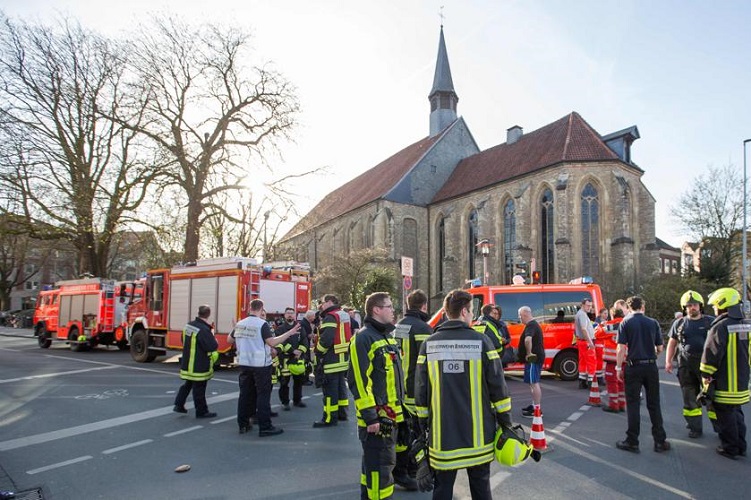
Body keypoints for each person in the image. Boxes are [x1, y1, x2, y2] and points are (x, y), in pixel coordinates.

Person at [415, 289, 511, 499]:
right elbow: (499, 389)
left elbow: (421, 393)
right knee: (481, 489)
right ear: (465, 311)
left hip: (443, 439)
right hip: (478, 439)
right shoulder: (482, 342)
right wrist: (506, 423)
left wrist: (422, 429)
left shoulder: (429, 344)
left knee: (442, 490)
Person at [348, 292, 406, 499]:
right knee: (379, 471)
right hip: (377, 420)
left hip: (391, 417)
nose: (393, 310)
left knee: (376, 468)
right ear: (376, 310)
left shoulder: (386, 337)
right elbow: (359, 381)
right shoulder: (363, 338)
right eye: (389, 306)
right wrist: (371, 416)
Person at [228, 299, 300, 437]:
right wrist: (289, 333)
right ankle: (265, 427)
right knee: (263, 395)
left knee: (244, 395)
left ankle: (243, 424)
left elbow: (229, 340)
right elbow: (272, 342)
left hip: (244, 363)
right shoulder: (262, 324)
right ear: (261, 309)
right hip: (260, 365)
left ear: (249, 308)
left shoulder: (241, 324)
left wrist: (235, 328)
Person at [615, 296, 670, 453]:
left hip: (633, 367)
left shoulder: (625, 322)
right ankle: (660, 441)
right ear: (643, 307)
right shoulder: (652, 323)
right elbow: (660, 347)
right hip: (650, 367)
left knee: (633, 404)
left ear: (629, 307)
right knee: (654, 404)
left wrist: (619, 368)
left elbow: (621, 348)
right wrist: (651, 356)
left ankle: (632, 441)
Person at [700, 288, 749, 459]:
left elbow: (711, 354)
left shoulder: (720, 326)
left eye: (715, 306)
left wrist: (706, 375)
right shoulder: (747, 324)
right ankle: (741, 445)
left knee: (725, 417)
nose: (714, 309)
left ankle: (730, 448)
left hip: (725, 383)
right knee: (737, 414)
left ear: (722, 304)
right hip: (742, 383)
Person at [392, 289, 432, 491]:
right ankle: (409, 470)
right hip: (414, 391)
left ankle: (406, 470)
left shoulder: (397, 326)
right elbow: (428, 364)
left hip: (398, 389)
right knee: (416, 433)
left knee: (402, 433)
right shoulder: (423, 328)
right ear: (424, 306)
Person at [665, 290, 716, 438]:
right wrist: (668, 361)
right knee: (689, 397)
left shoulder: (711, 322)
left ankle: (720, 427)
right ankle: (695, 427)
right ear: (684, 308)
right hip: (686, 365)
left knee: (712, 398)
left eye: (694, 305)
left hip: (707, 366)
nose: (692, 308)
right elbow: (672, 343)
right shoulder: (679, 323)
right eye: (688, 306)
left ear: (700, 306)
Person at [173, 305, 219, 418]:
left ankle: (179, 405)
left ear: (198, 313)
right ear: (208, 314)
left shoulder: (188, 326)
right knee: (199, 389)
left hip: (188, 363)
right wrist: (214, 338)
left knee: (188, 384)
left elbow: (183, 340)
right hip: (199, 365)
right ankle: (201, 411)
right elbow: (211, 346)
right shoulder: (204, 329)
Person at [313, 294, 352, 427]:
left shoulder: (330, 316)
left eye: (322, 302)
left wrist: (318, 351)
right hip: (342, 359)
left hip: (331, 360)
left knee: (330, 391)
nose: (321, 305)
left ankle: (329, 418)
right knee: (341, 388)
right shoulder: (342, 314)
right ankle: (342, 413)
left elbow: (327, 339)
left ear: (329, 302)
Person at [276, 307, 309, 411]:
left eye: (292, 313)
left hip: (298, 358)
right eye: (288, 313)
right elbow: (281, 342)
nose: (290, 315)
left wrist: (300, 351)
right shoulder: (280, 329)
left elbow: (305, 341)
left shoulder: (300, 328)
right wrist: (292, 351)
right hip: (285, 359)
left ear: (295, 315)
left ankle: (297, 400)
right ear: (285, 315)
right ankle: (285, 402)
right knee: (284, 382)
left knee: (298, 381)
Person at [518, 305, 544, 418]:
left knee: (534, 383)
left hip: (533, 358)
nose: (520, 318)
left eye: (520, 316)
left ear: (524, 314)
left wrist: (529, 353)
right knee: (532, 383)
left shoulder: (531, 325)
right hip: (535, 358)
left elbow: (528, 339)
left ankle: (537, 409)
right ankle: (534, 405)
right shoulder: (533, 324)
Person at [600, 304, 626, 413]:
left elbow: (597, 334)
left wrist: (602, 325)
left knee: (612, 382)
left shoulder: (609, 325)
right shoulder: (627, 324)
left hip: (612, 360)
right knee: (622, 382)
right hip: (624, 359)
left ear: (612, 314)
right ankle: (622, 404)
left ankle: (613, 405)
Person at [574, 298, 596, 390]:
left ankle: (582, 382)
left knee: (583, 362)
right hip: (586, 342)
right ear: (582, 305)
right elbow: (583, 329)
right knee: (592, 362)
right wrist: (590, 342)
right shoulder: (582, 315)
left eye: (591, 306)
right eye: (588, 305)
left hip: (581, 341)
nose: (589, 307)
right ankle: (592, 384)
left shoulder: (579, 313)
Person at [299, 310, 317, 385]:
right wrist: (314, 336)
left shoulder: (303, 322)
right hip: (304, 346)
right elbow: (307, 335)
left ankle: (304, 379)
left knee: (305, 362)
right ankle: (305, 380)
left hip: (303, 345)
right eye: (313, 316)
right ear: (310, 316)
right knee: (306, 362)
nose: (314, 318)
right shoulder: (305, 324)